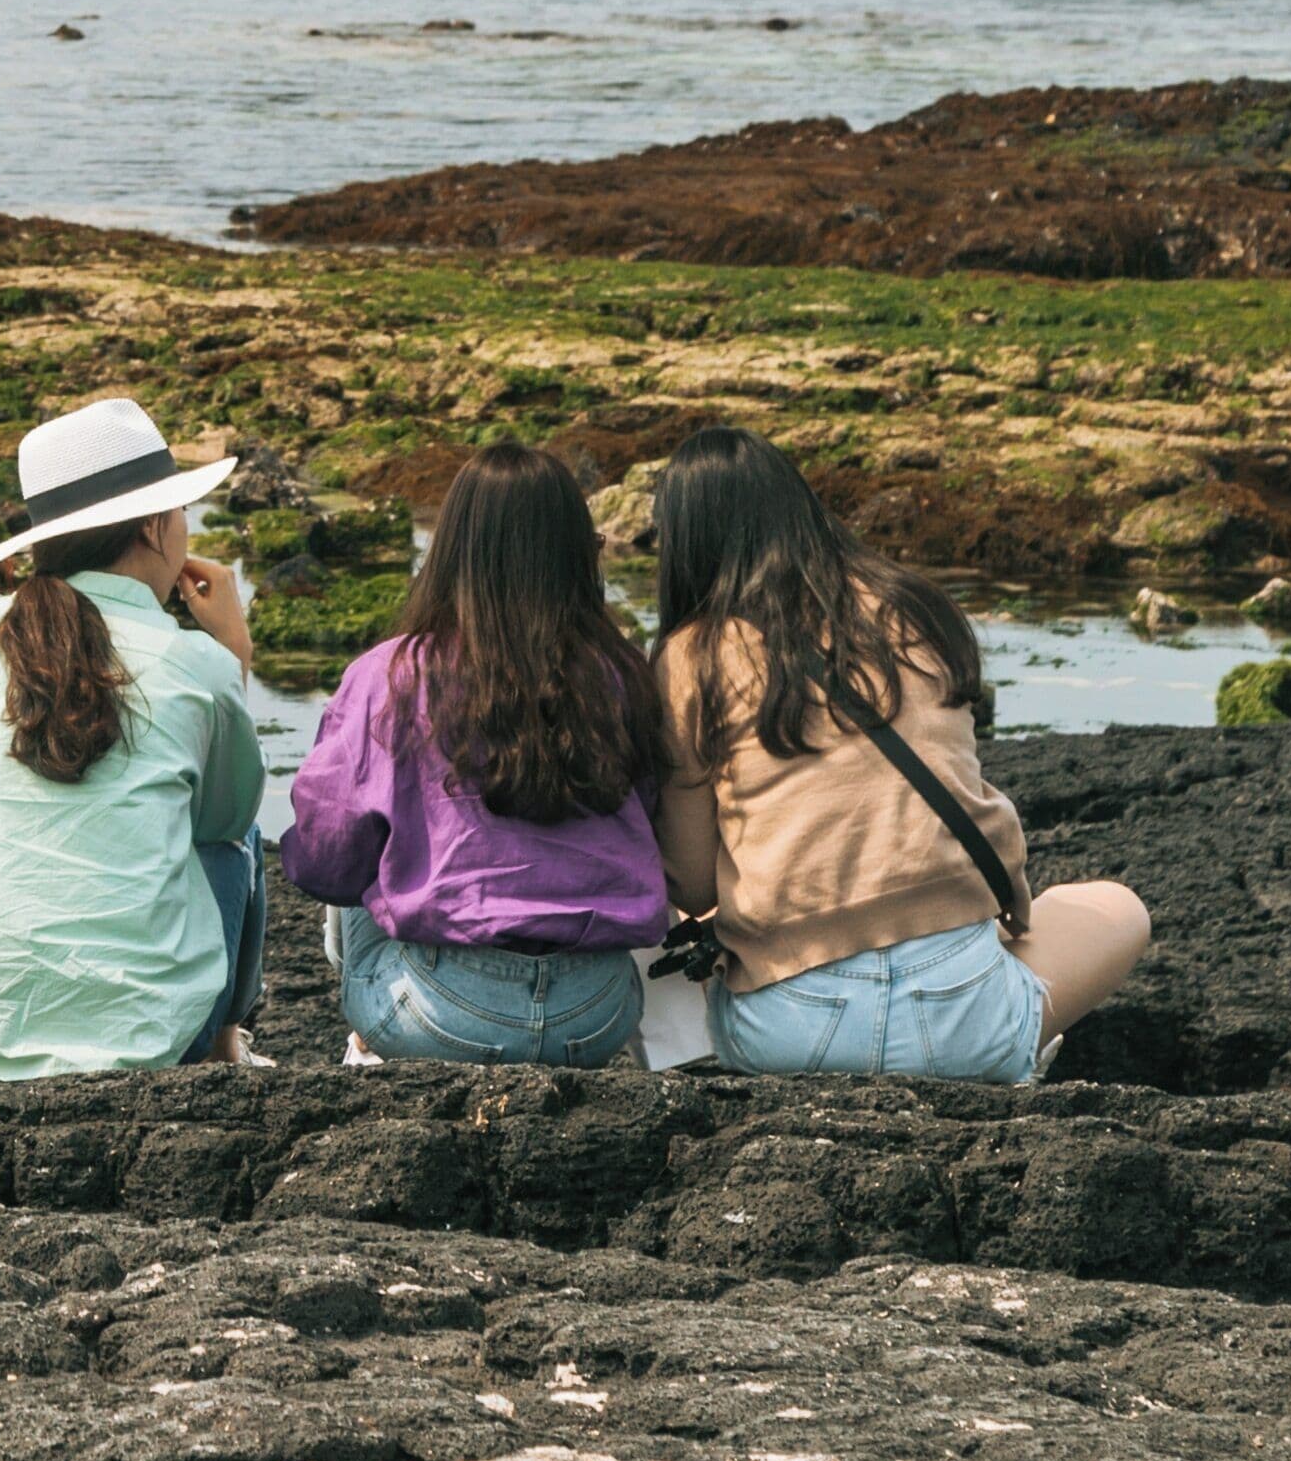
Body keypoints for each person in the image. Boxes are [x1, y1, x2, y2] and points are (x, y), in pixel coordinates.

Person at [652, 425, 1150, 1080]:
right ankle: (1005, 1043)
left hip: (786, 1035)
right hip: (962, 1022)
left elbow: (687, 883)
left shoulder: (690, 657)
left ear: (686, 541)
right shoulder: (914, 606)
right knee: (1118, 906)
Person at [0, 395, 267, 1079]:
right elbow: (225, 820)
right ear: (153, 526)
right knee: (235, 839)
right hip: (154, 1040)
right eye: (179, 510)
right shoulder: (194, 664)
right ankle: (225, 1037)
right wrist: (232, 656)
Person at [281, 443, 669, 1064]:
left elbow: (324, 861)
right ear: (575, 552)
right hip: (599, 1012)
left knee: (361, 860)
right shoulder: (620, 674)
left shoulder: (392, 674)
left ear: (452, 547)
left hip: (445, 1012)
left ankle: (370, 1047)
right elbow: (656, 822)